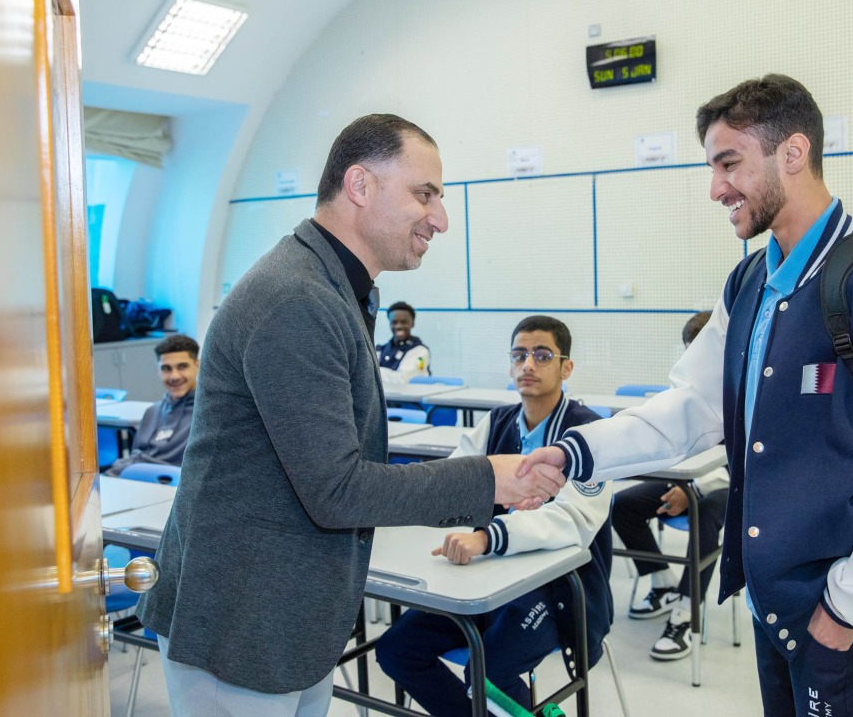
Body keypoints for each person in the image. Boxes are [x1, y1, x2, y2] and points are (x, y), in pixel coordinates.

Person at [521, 75, 853, 716]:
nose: (716, 188)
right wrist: (577, 451)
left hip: (844, 620)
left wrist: (847, 606)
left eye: (729, 164)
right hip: (774, 608)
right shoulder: (749, 280)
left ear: (793, 153)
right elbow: (692, 406)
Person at [136, 114, 564, 717]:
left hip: (287, 617)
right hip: (242, 626)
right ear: (359, 186)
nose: (440, 219)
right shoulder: (297, 299)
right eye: (425, 194)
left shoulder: (333, 288)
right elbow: (336, 488)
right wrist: (488, 477)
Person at [376, 315, 612, 715]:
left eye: (542, 355)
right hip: (485, 579)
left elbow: (573, 520)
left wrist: (488, 537)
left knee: (488, 675)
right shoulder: (497, 422)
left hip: (556, 591)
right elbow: (451, 482)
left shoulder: (590, 436)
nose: (528, 365)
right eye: (519, 355)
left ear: (566, 367)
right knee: (397, 650)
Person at [612, 311, 730, 661]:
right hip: (685, 477)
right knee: (623, 505)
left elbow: (745, 461)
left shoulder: (747, 387)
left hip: (734, 486)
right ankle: (661, 581)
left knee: (704, 513)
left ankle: (685, 609)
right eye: (690, 352)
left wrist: (692, 489)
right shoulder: (686, 392)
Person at [106, 334, 200, 476]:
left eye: (182, 367)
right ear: (158, 370)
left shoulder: (206, 414)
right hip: (140, 482)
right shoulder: (153, 412)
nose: (174, 376)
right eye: (166, 369)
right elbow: (136, 457)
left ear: (197, 366)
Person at [376, 300, 431, 384]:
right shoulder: (380, 349)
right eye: (394, 322)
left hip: (409, 396)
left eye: (404, 322)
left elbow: (403, 379)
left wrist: (375, 371)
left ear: (412, 323)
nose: (398, 326)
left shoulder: (420, 351)